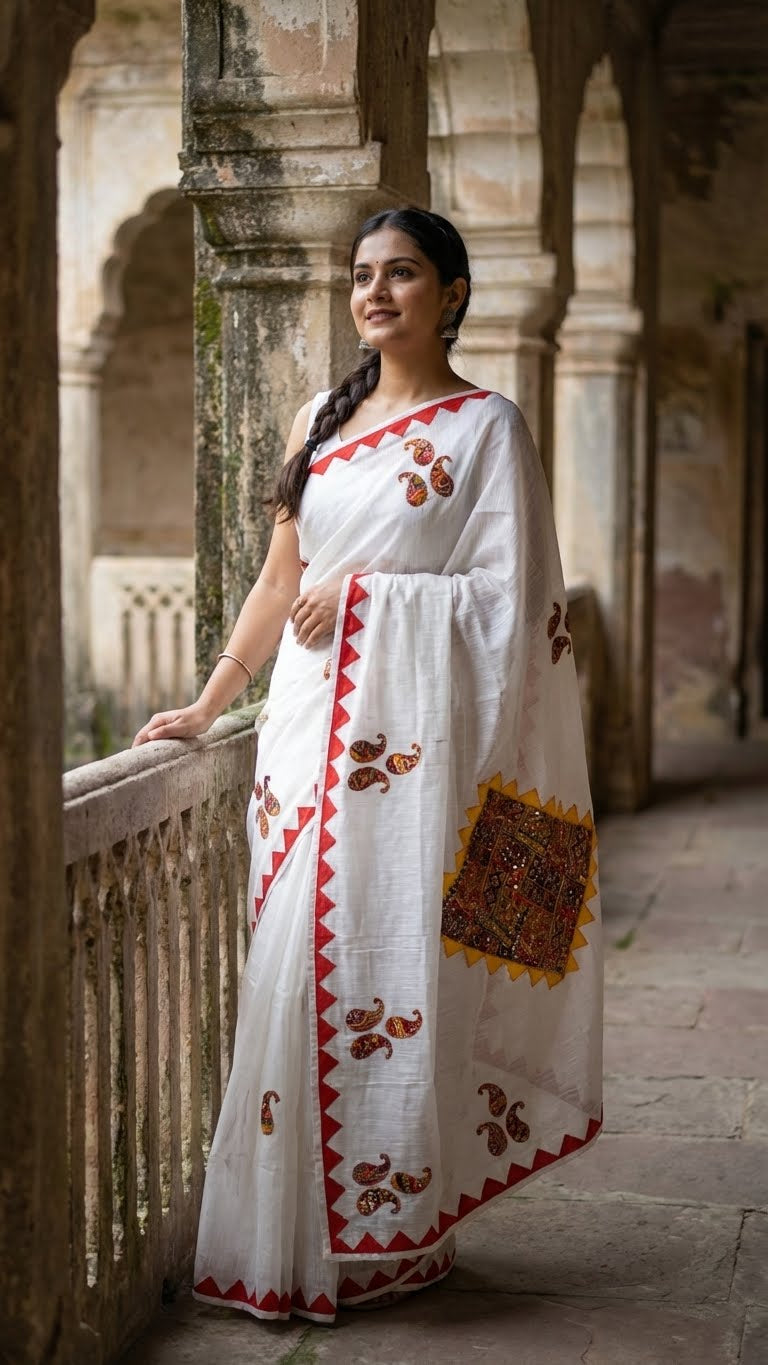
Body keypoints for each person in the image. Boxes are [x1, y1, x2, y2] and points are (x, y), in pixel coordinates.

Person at [133, 207, 603, 1323]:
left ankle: (387, 1240)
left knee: (390, 982)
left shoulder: (488, 429)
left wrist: (370, 598)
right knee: (292, 986)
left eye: (401, 274)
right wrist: (207, 706)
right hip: (302, 748)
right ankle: (292, 1243)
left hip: (413, 761)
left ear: (451, 292)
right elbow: (272, 581)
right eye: (362, 276)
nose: (376, 292)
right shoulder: (323, 418)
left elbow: (514, 605)